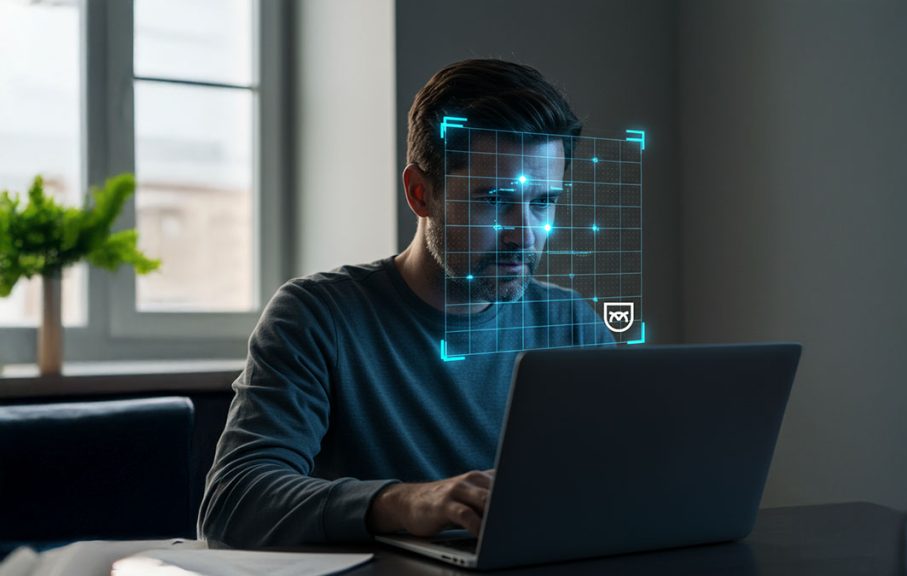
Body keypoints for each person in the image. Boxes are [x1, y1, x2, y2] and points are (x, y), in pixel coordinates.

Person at [197, 59, 614, 547]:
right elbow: (234, 500)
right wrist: (406, 503)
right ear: (421, 193)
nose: (524, 234)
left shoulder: (573, 323)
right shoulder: (317, 316)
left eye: (543, 202)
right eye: (495, 200)